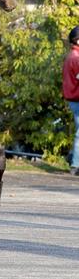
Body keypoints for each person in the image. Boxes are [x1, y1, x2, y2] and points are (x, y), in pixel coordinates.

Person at [62, 26, 79, 175]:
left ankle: (73, 159)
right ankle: (75, 164)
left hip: (73, 98)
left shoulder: (71, 56)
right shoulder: (77, 58)